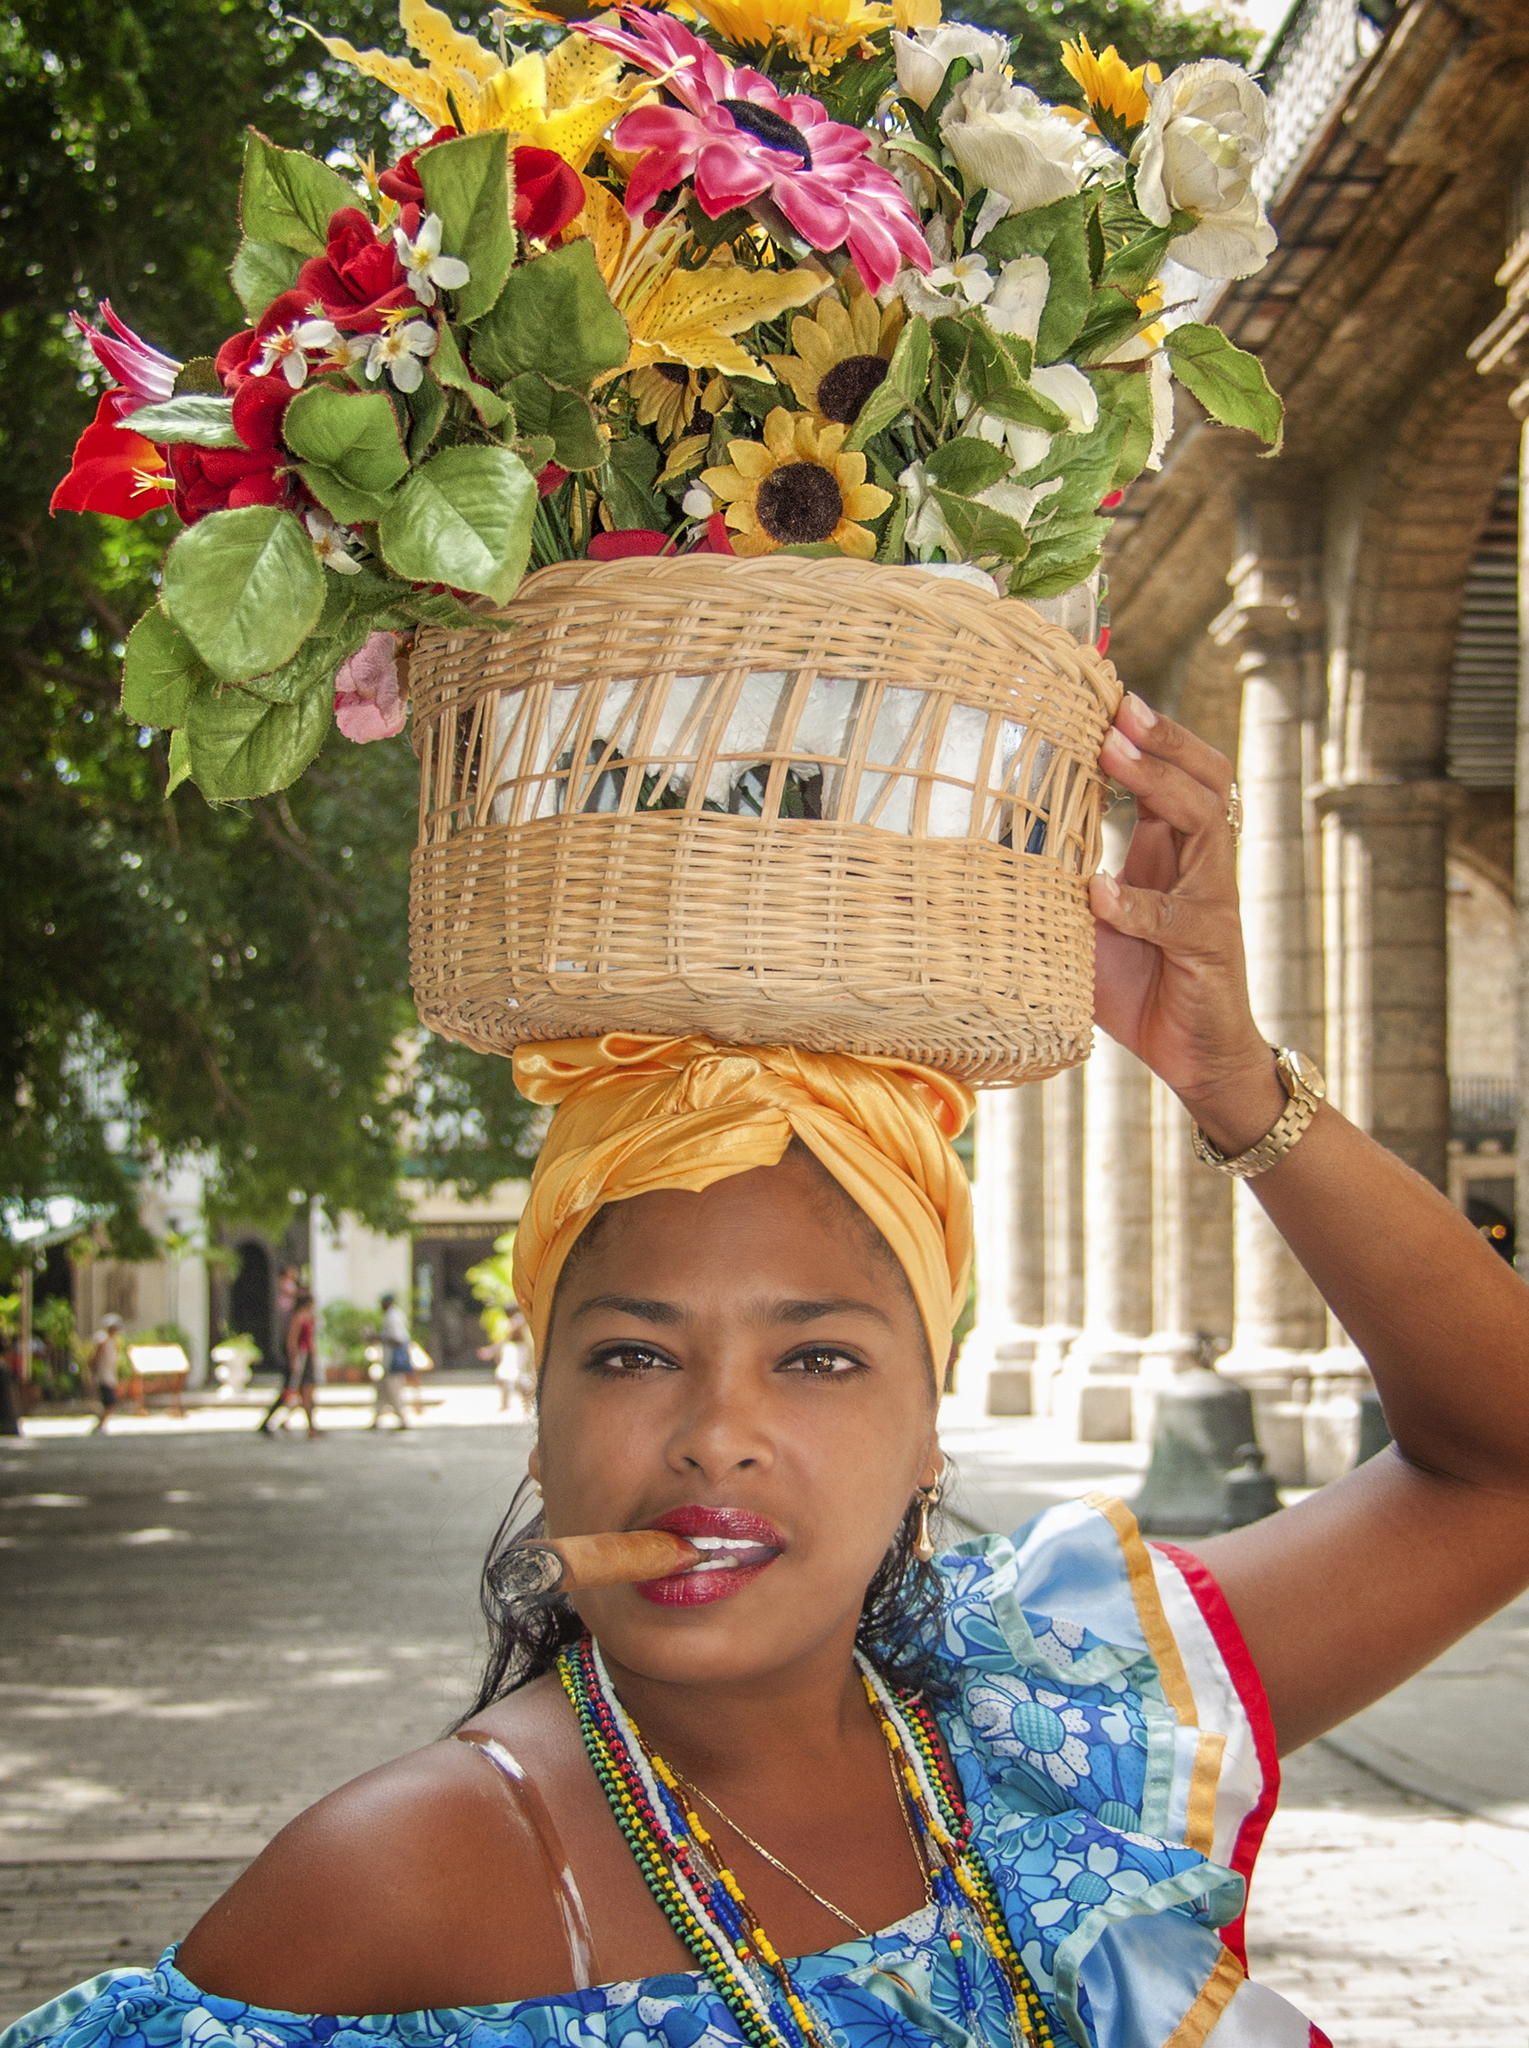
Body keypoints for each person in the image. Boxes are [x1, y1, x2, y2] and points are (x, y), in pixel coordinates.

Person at [10, 695, 1529, 2048]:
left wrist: (1231, 1079)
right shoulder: (401, 1885)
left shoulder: (1051, 1706)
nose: (716, 1433)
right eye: (628, 1353)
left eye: (816, 1357)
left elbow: (1500, 1462)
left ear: (931, 1426)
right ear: (538, 1419)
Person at [257, 1290, 320, 1438]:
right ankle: (308, 1427)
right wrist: (294, 1360)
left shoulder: (309, 1318)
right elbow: (292, 1340)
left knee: (305, 1394)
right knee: (295, 1393)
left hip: (307, 1358)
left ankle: (307, 1425)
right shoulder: (298, 1318)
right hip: (301, 1359)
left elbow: (310, 1340)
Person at [371, 1293, 413, 1432]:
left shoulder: (393, 1316)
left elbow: (397, 1338)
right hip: (388, 1360)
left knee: (394, 1390)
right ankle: (376, 1418)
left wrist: (379, 1337)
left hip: (394, 1359)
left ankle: (402, 1419)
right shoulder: (393, 1315)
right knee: (383, 1391)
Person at [86, 1313, 123, 1435]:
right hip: (103, 1376)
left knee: (109, 1402)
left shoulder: (113, 1341)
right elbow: (95, 1358)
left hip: (109, 1375)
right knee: (109, 1402)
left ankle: (101, 1424)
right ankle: (100, 1425)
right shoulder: (102, 1340)